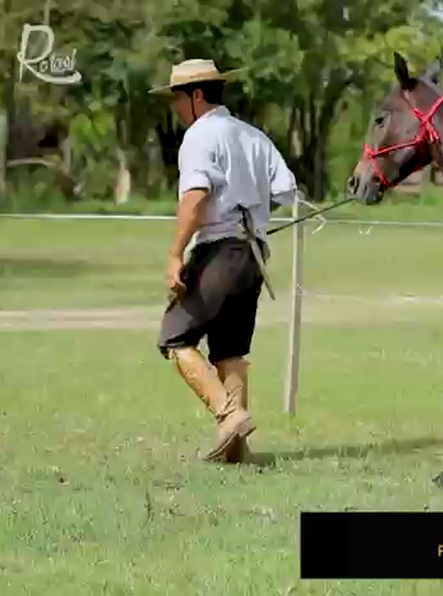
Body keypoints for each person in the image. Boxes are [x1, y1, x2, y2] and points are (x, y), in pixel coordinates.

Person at [149, 58, 297, 464]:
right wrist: (253, 214)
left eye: (177, 98)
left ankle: (229, 414)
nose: (176, 107)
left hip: (219, 250)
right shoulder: (253, 136)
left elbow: (195, 198)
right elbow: (285, 190)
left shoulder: (199, 136)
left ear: (197, 95)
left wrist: (175, 254)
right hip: (253, 254)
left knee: (174, 337)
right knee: (230, 349)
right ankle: (235, 451)